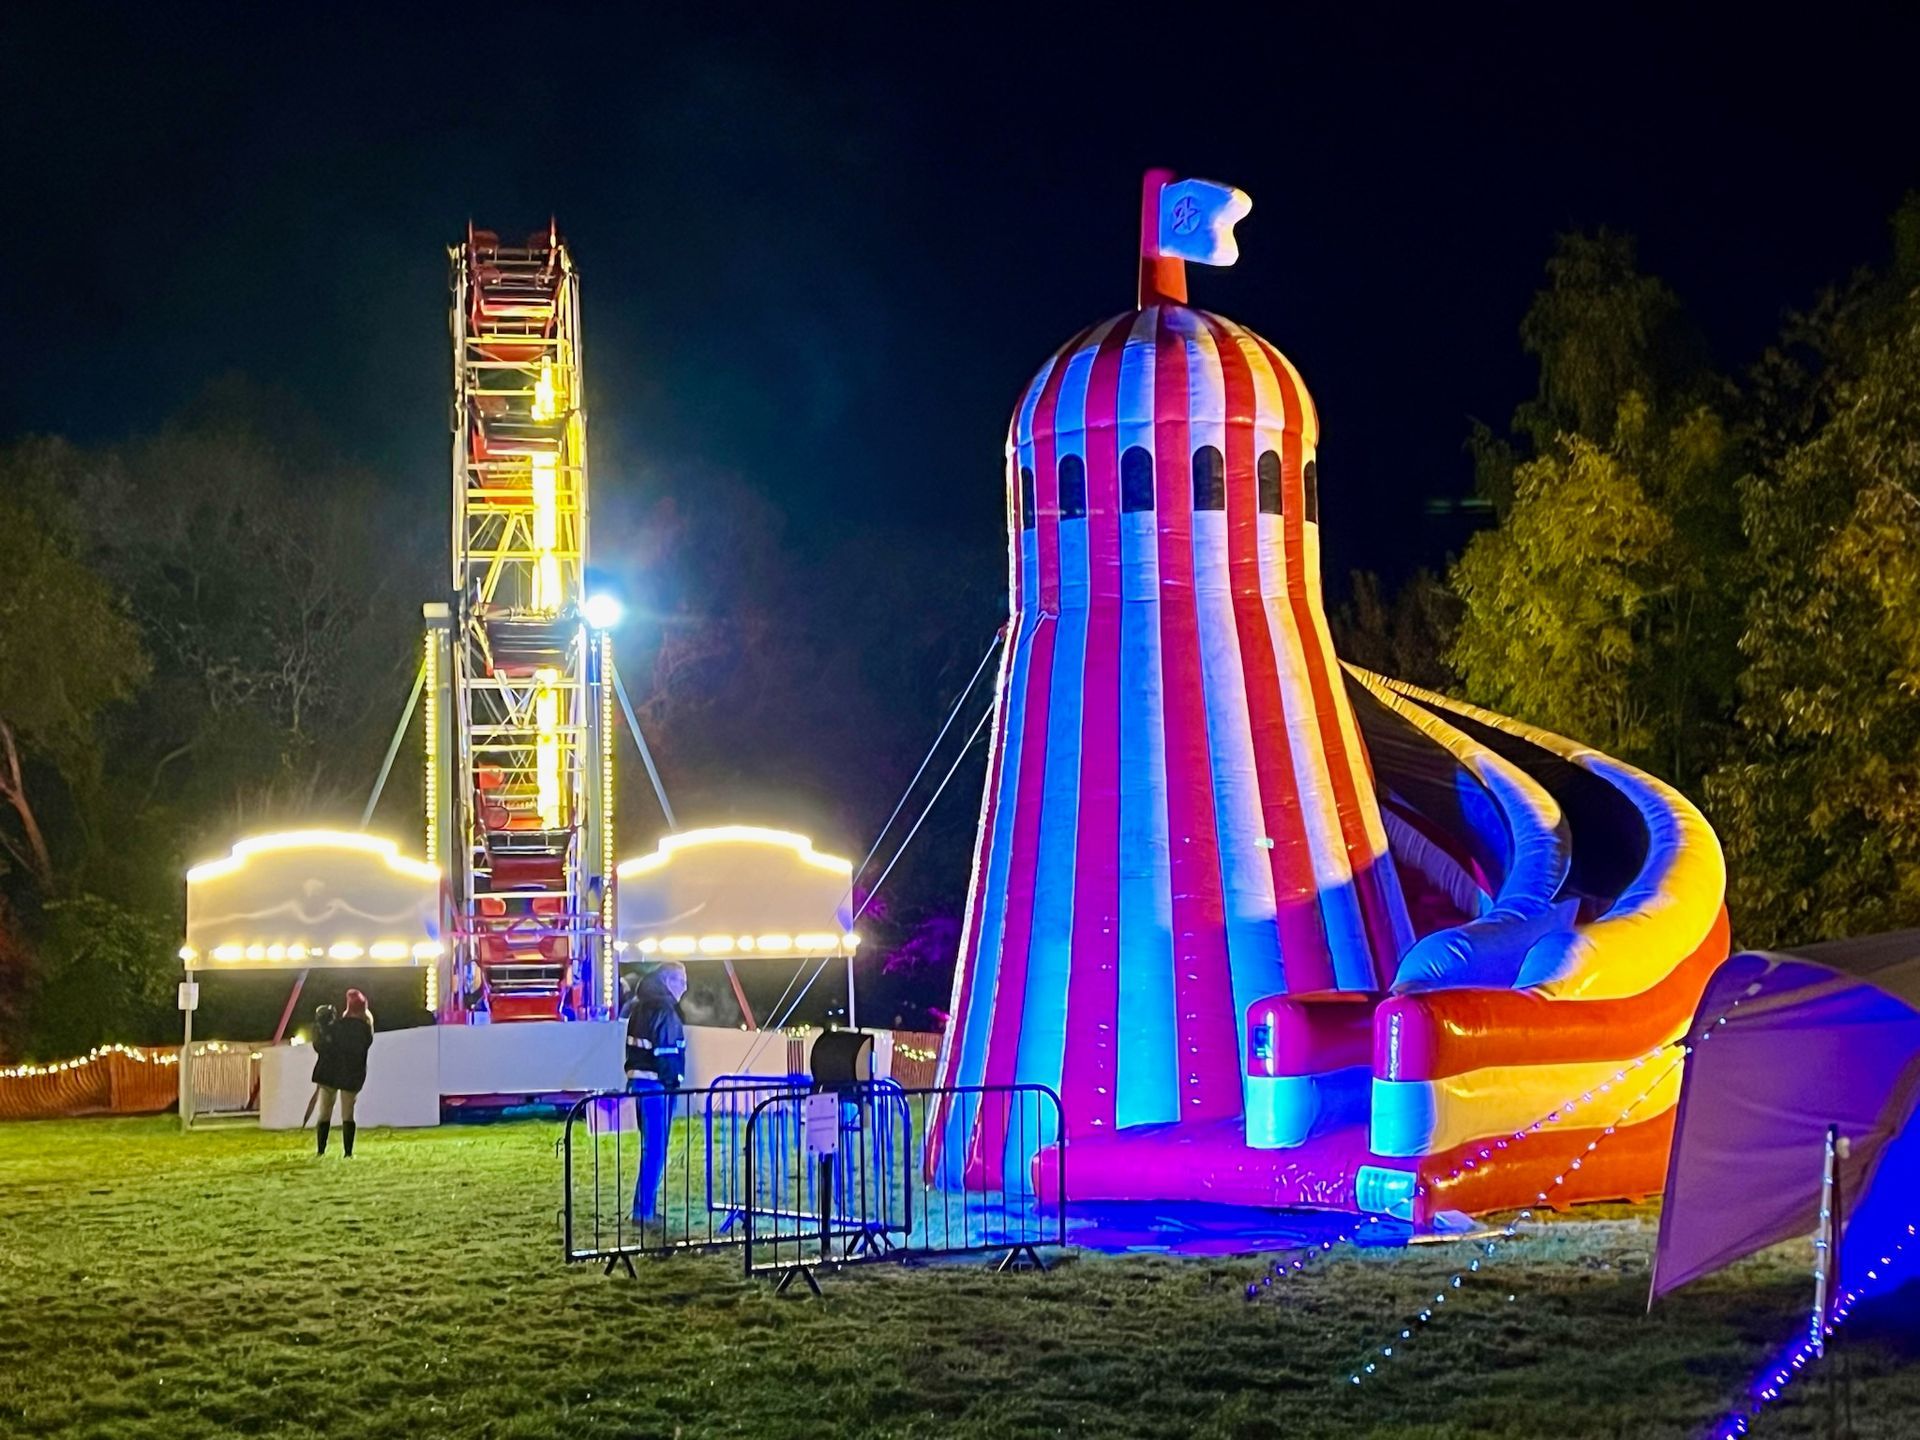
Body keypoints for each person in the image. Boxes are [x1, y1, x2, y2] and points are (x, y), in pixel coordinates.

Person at [622, 962, 688, 1222]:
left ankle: (644, 1206)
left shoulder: (639, 1007)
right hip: (656, 1089)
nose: (685, 986)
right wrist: (674, 1083)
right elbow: (667, 1054)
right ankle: (644, 1211)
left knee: (649, 1148)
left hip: (638, 1084)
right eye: (682, 980)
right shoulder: (665, 1010)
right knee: (656, 1150)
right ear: (668, 981)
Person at [313, 989, 375, 1157]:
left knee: (325, 1111)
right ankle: (348, 1152)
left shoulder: (337, 1026)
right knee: (348, 1113)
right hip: (351, 1073)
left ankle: (321, 1150)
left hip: (329, 1071)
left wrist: (323, 1026)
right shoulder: (366, 1029)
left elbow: (321, 1047)